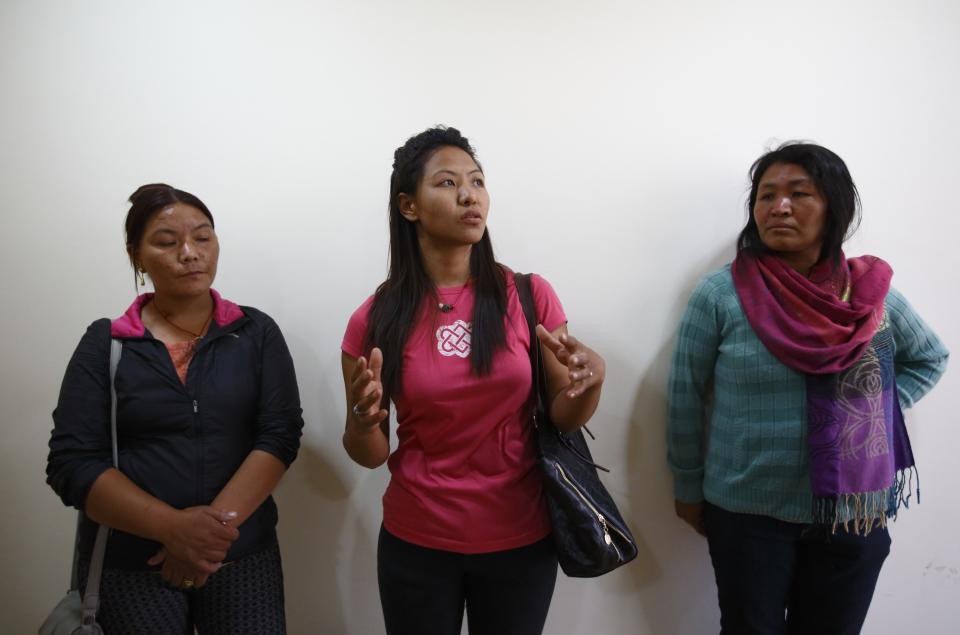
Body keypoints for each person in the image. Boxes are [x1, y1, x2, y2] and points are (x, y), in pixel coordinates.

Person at [667, 142, 949, 634]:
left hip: (854, 515)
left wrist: (869, 413)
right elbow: (684, 396)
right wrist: (687, 488)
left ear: (834, 208)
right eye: (766, 195)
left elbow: (930, 358)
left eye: (799, 193)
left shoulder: (869, 295)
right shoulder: (721, 294)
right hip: (748, 511)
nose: (778, 206)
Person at [340, 126, 606, 635]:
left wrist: (589, 383)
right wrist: (360, 417)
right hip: (417, 540)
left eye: (477, 181)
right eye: (446, 183)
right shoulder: (374, 319)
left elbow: (562, 416)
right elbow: (371, 452)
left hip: (520, 539)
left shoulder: (529, 295)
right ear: (408, 206)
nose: (469, 195)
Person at [47, 184, 303, 634]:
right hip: (132, 562)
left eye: (203, 237)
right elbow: (73, 463)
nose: (189, 253)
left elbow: (278, 435)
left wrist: (208, 537)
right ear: (136, 256)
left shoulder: (256, 333)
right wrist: (172, 529)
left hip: (240, 556)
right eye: (167, 242)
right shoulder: (105, 343)